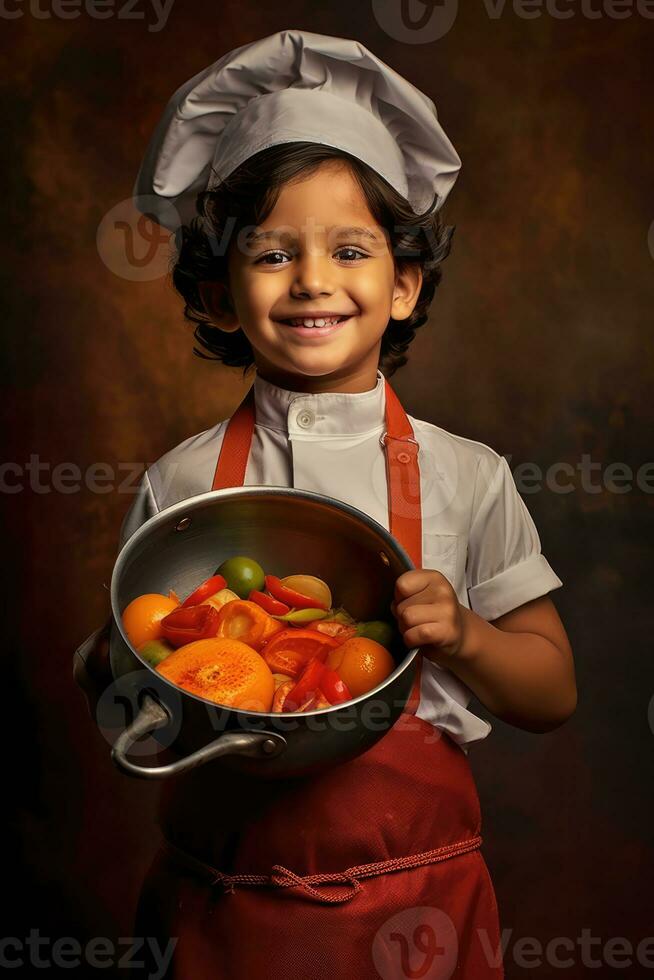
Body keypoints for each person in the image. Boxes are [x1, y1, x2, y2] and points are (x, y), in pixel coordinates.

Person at [74, 29, 577, 979]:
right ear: (219, 296)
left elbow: (553, 691)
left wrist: (464, 635)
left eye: (350, 249)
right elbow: (131, 705)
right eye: (270, 255)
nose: (311, 280)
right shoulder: (181, 481)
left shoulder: (466, 473)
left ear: (404, 286)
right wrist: (108, 666)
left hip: (420, 907)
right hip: (223, 911)